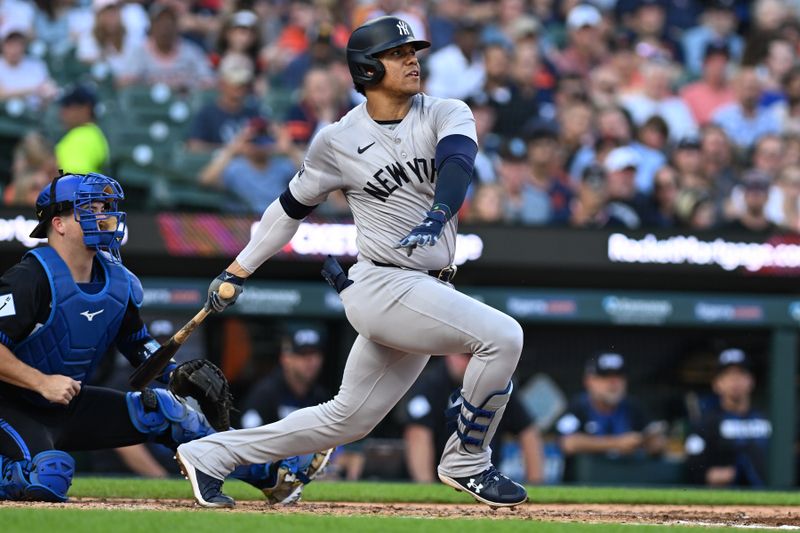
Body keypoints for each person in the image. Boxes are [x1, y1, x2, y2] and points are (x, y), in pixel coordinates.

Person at [175, 16, 527, 509]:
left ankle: (209, 454)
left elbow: (457, 163)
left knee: (347, 419)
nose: (412, 60)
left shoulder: (447, 111)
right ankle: (467, 461)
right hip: (383, 284)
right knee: (503, 336)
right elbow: (289, 209)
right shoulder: (337, 139)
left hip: (428, 288)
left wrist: (442, 209)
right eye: (398, 54)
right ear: (366, 69)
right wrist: (238, 268)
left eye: (413, 52)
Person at [0, 172, 327, 503]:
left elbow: (138, 345)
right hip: (12, 406)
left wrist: (175, 373)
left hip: (67, 403)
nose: (103, 217)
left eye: (104, 208)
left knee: (169, 412)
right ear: (59, 223)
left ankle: (271, 475)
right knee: (49, 476)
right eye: (91, 208)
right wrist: (41, 381)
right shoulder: (29, 278)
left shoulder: (117, 281)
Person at [400, 353, 543, 484]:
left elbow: (528, 431)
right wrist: (426, 487)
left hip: (485, 480)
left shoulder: (495, 386)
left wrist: (535, 483)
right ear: (450, 354)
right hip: (441, 480)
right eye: (464, 357)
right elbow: (418, 435)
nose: (469, 364)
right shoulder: (431, 383)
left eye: (474, 358)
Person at [555, 352, 666, 482]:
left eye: (618, 376)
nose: (613, 382)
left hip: (626, 483)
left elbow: (659, 442)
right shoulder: (578, 406)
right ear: (589, 381)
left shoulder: (633, 407)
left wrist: (650, 443)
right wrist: (617, 443)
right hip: (582, 486)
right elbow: (568, 443)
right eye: (605, 376)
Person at [685, 348, 771, 487]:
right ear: (717, 384)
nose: (735, 381)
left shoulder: (769, 418)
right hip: (725, 501)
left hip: (772, 497)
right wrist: (734, 472)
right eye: (728, 375)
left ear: (751, 381)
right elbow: (694, 471)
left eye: (741, 374)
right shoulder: (706, 422)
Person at [240, 324, 331, 429]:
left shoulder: (321, 397)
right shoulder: (265, 394)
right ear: (285, 359)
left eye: (315, 353)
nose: (311, 361)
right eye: (303, 354)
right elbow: (249, 435)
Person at [55, 85, 109, 175]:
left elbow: (73, 181)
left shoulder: (82, 138)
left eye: (68, 105)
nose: (62, 111)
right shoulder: (90, 134)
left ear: (85, 109)